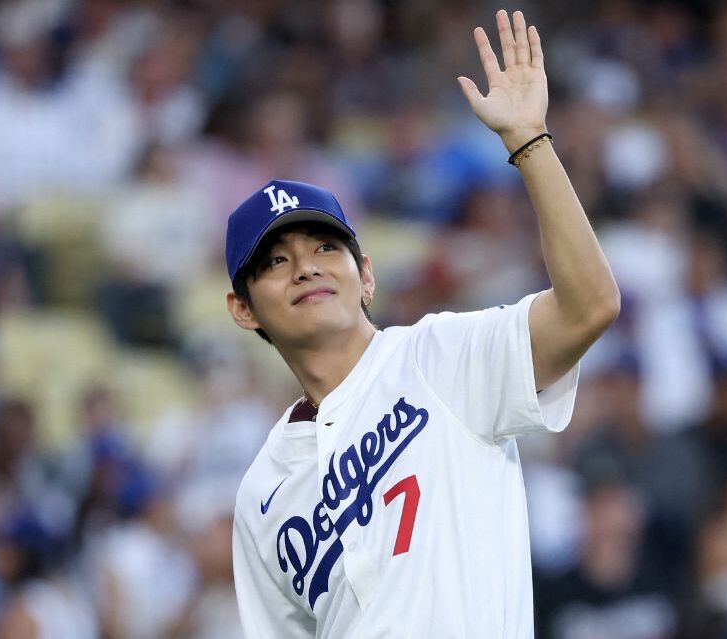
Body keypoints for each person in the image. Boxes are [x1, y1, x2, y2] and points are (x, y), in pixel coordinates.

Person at [226, 10, 620, 638]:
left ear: (367, 276)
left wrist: (529, 143)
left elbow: (589, 306)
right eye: (275, 261)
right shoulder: (261, 492)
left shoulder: (440, 357)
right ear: (242, 308)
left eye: (325, 247)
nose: (305, 267)